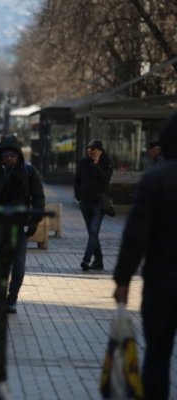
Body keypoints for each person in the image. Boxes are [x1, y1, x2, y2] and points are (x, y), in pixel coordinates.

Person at [113, 111, 177, 400]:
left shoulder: (155, 180)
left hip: (161, 283)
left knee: (157, 357)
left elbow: (135, 236)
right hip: (161, 280)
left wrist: (123, 280)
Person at [0, 134, 45, 313]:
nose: (9, 159)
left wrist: (34, 221)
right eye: (5, 155)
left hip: (19, 225)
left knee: (18, 262)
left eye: (13, 155)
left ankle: (12, 298)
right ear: (0, 156)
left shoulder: (29, 172)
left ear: (19, 155)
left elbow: (38, 198)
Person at [74, 139, 113, 271]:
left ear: (100, 151)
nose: (90, 151)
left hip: (98, 204)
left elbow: (105, 179)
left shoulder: (106, 162)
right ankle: (99, 262)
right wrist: (78, 196)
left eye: (93, 149)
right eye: (89, 148)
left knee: (93, 232)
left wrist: (97, 165)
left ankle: (86, 260)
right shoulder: (83, 162)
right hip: (85, 203)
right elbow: (77, 179)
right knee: (92, 234)